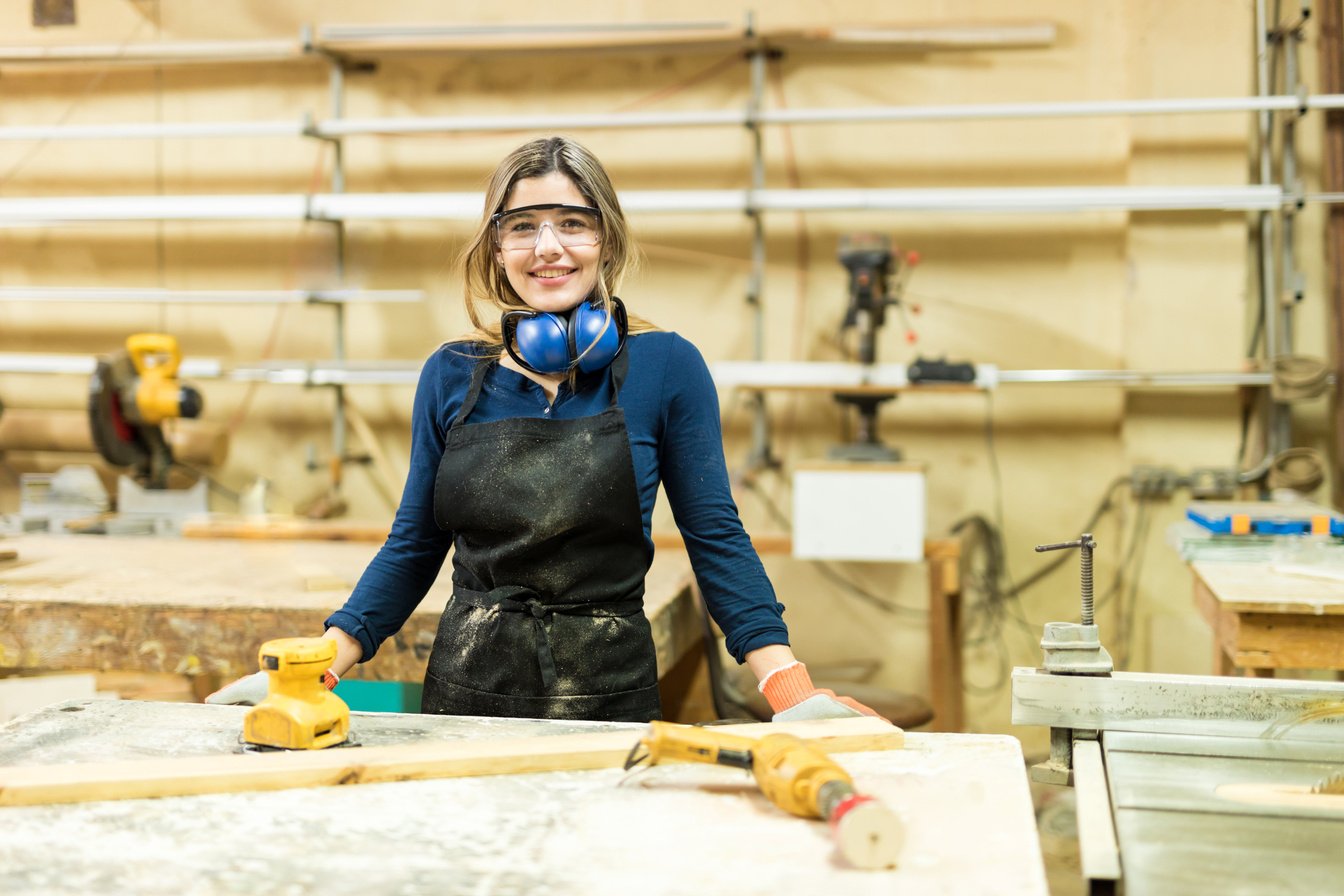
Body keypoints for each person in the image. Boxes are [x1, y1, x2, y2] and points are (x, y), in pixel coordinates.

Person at [209, 136, 880, 724]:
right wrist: (322, 661)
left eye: (572, 224)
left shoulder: (666, 367)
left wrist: (787, 686)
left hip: (607, 699)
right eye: (523, 226)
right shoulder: (451, 375)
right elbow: (414, 544)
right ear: (497, 245)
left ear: (606, 239)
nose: (548, 247)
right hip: (466, 697)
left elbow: (717, 538)